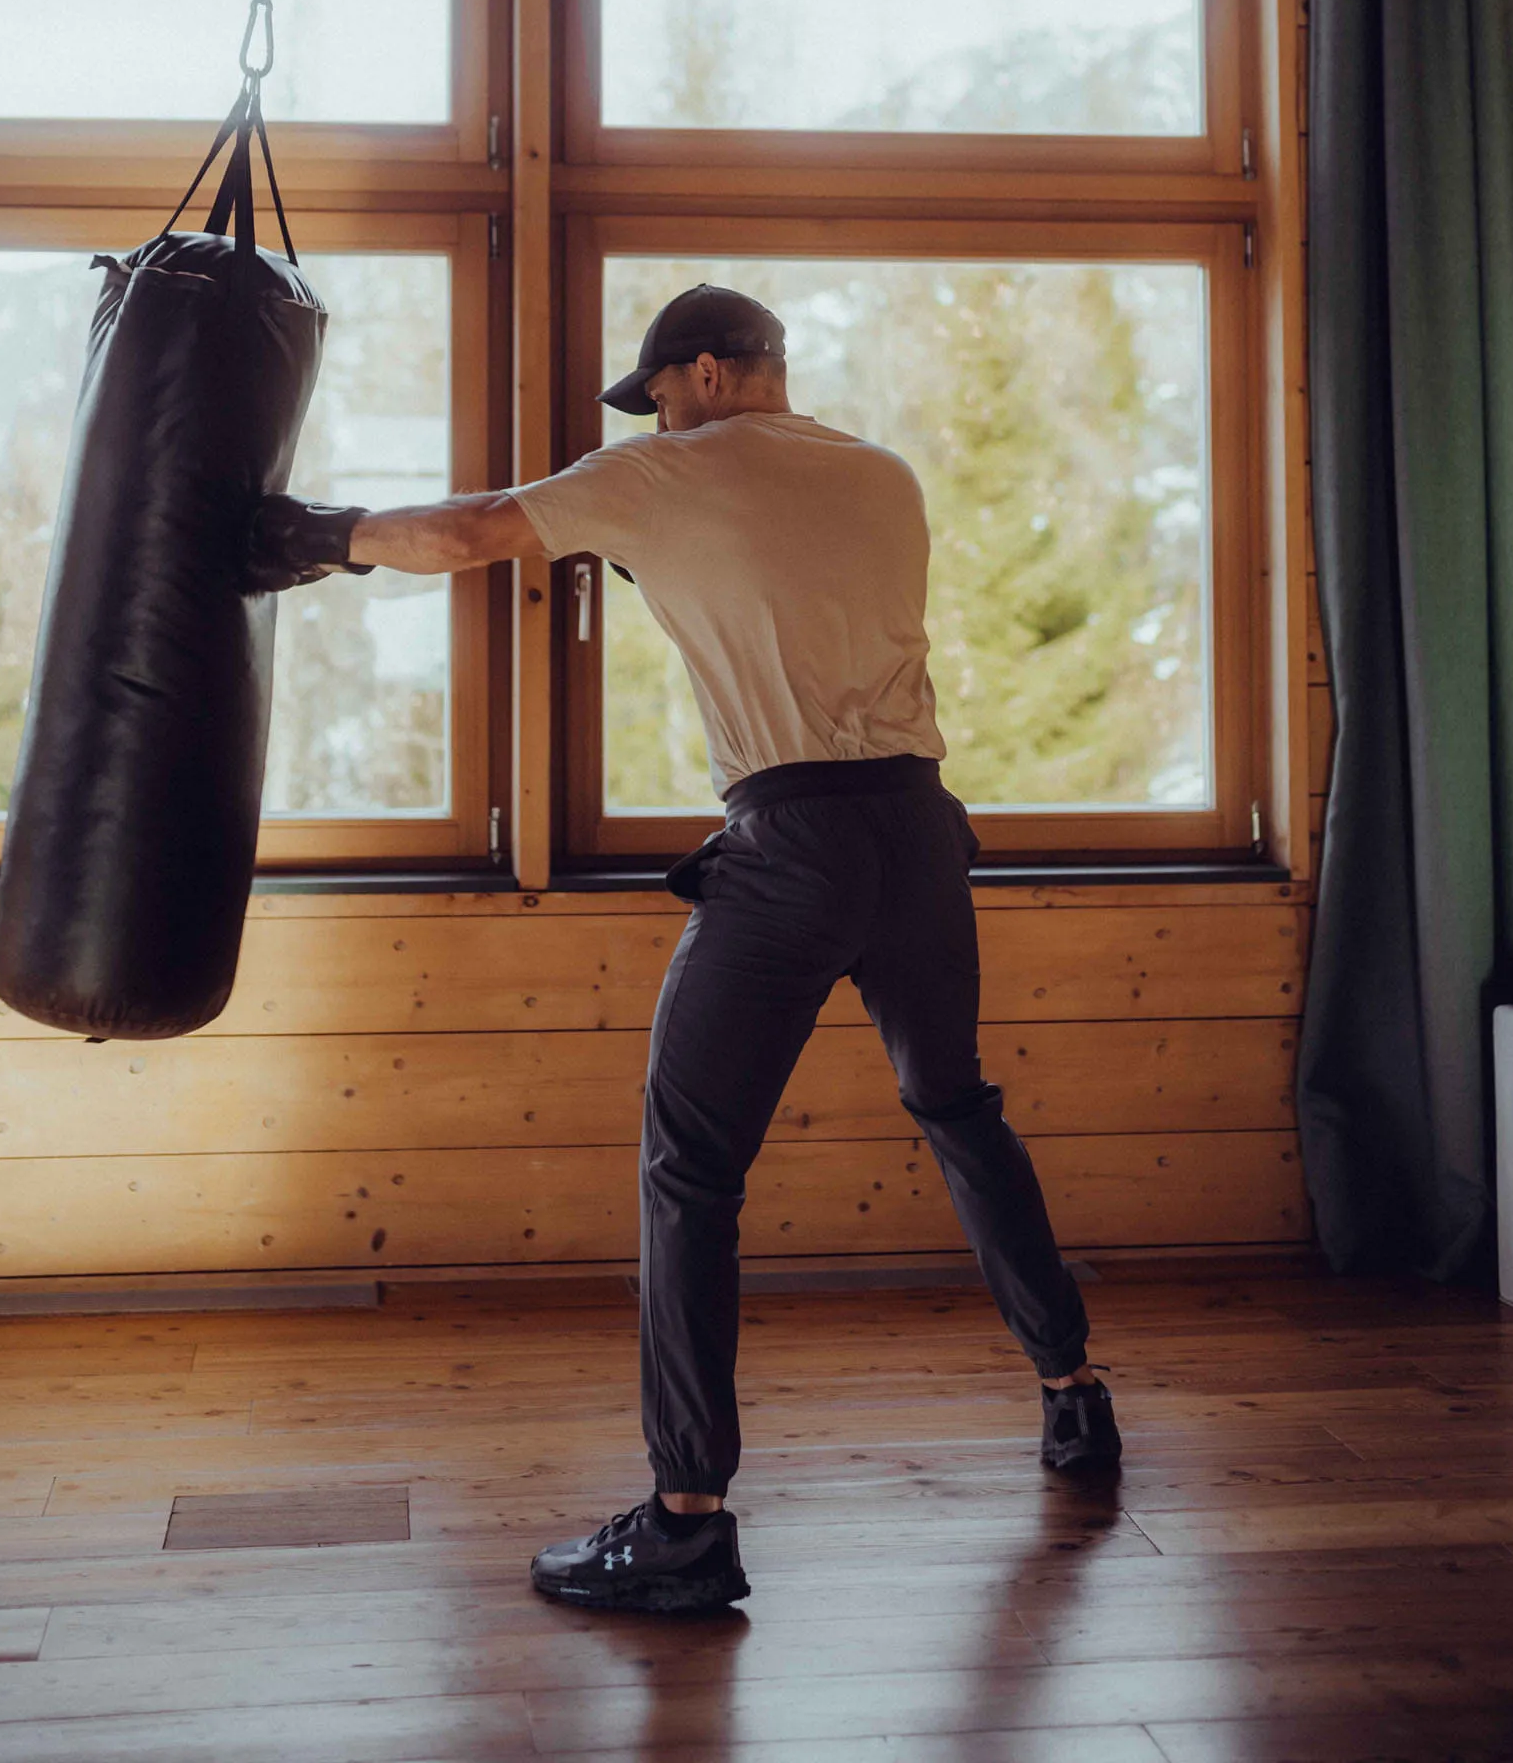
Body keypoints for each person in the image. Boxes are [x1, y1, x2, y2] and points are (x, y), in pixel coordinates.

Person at [246, 281, 1121, 1616]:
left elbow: (475, 531)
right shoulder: (879, 475)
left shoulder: (662, 471)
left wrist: (312, 536)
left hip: (790, 852)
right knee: (954, 1103)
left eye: (656, 392)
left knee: (691, 1169)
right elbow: (772, 579)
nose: (652, 415)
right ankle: (1072, 1397)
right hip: (920, 837)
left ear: (704, 373)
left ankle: (684, 1524)